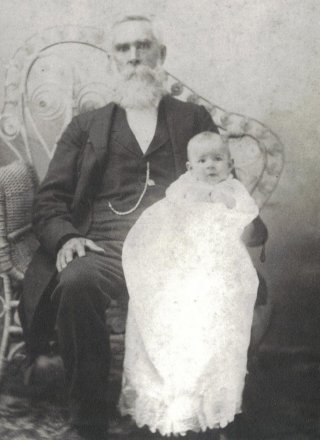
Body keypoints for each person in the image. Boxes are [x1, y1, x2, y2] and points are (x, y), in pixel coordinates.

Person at [18, 15, 267, 440]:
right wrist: (67, 236)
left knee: (218, 284)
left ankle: (194, 411)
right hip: (104, 245)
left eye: (143, 46)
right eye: (123, 49)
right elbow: (51, 197)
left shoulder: (191, 118)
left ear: (161, 55)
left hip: (178, 247)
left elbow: (225, 180)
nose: (134, 56)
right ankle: (88, 416)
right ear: (112, 61)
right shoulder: (85, 126)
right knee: (76, 281)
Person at [119, 132, 260, 438]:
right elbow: (171, 212)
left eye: (218, 159)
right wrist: (199, 198)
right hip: (184, 258)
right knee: (173, 305)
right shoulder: (185, 187)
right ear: (189, 165)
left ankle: (212, 402)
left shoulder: (234, 190)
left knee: (219, 314)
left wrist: (225, 202)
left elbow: (245, 217)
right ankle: (175, 398)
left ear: (230, 164)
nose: (210, 166)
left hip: (221, 260)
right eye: (202, 160)